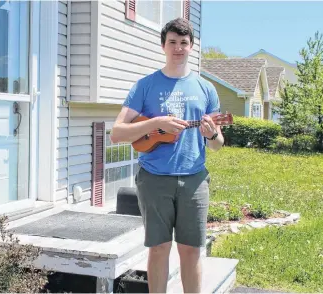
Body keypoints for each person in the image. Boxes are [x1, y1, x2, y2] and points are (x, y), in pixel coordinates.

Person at [110, 17, 224, 293]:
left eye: (184, 43)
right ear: (163, 46)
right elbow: (117, 133)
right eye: (172, 42)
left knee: (191, 250)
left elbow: (218, 143)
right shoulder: (145, 86)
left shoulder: (206, 89)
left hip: (194, 180)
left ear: (191, 47)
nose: (178, 48)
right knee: (159, 249)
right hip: (154, 179)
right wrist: (155, 124)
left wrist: (210, 134)